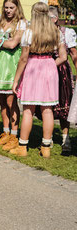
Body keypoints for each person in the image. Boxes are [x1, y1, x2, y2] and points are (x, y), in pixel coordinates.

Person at [11, 2, 67, 158]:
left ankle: (23, 146)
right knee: (47, 110)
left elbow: (23, 58)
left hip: (32, 67)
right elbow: (63, 56)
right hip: (49, 66)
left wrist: (16, 80)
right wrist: (49, 65)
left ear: (34, 13)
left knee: (28, 110)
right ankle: (46, 146)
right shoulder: (56, 32)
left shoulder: (29, 32)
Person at [0, 0, 25, 152]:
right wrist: (2, 40)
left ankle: (14, 135)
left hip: (11, 66)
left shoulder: (21, 23)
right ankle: (6, 131)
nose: (9, 10)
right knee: (2, 102)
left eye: (12, 8)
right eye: (6, 8)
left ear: (17, 8)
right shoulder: (0, 22)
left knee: (11, 102)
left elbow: (12, 44)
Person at [50, 6, 76, 156]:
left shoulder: (67, 32)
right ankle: (48, 137)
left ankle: (66, 139)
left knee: (64, 103)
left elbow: (73, 54)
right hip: (46, 69)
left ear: (54, 19)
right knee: (48, 105)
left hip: (62, 72)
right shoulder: (42, 32)